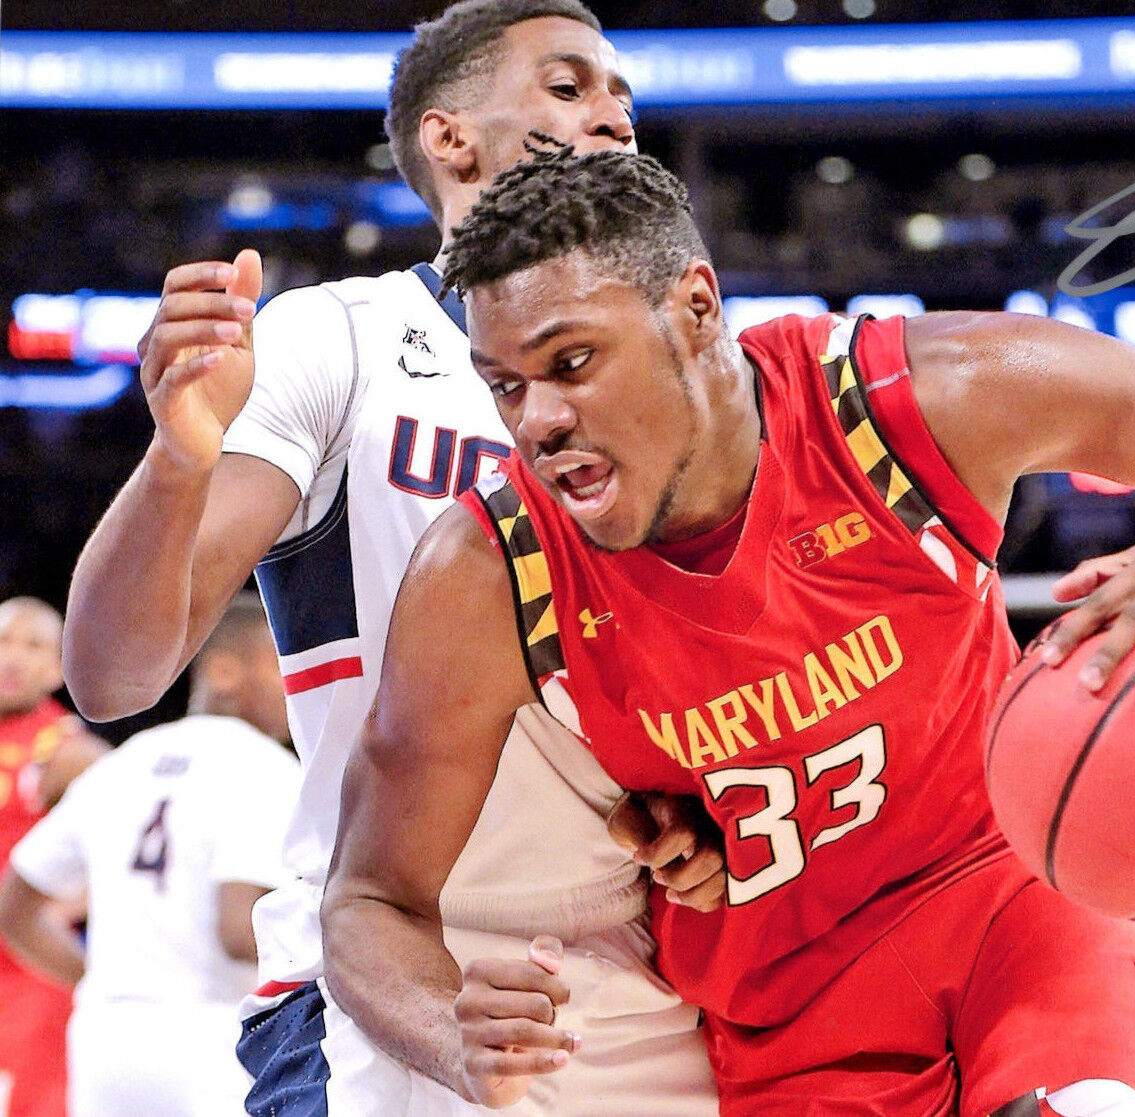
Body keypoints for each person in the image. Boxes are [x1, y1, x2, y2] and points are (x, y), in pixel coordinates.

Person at [319, 145, 1135, 1117]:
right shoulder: (486, 569)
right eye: (504, 387)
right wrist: (448, 1031)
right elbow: (366, 900)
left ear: (695, 308)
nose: (538, 419)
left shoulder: (912, 405)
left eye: (571, 363)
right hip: (789, 1010)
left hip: (1014, 897)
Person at [62, 3, 720, 1113]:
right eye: (566, 86)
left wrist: (698, 807)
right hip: (375, 975)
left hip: (635, 984)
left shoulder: (690, 364)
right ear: (449, 139)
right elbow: (116, 675)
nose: (611, 111)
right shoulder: (342, 337)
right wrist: (177, 463)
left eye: (620, 94)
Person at [0, 594, 300, 1117]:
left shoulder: (126, 759)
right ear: (225, 671)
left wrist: (97, 977)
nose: (297, 687)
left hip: (104, 1038)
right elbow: (238, 931)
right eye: (283, 668)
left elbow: (14, 909)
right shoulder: (266, 767)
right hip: (211, 1036)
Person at [0, 597, 108, 1117]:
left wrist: (64, 908)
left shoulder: (69, 750)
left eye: (33, 645)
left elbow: (123, 842)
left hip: (30, 966)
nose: (13, 657)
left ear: (55, 669)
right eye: (3, 641)